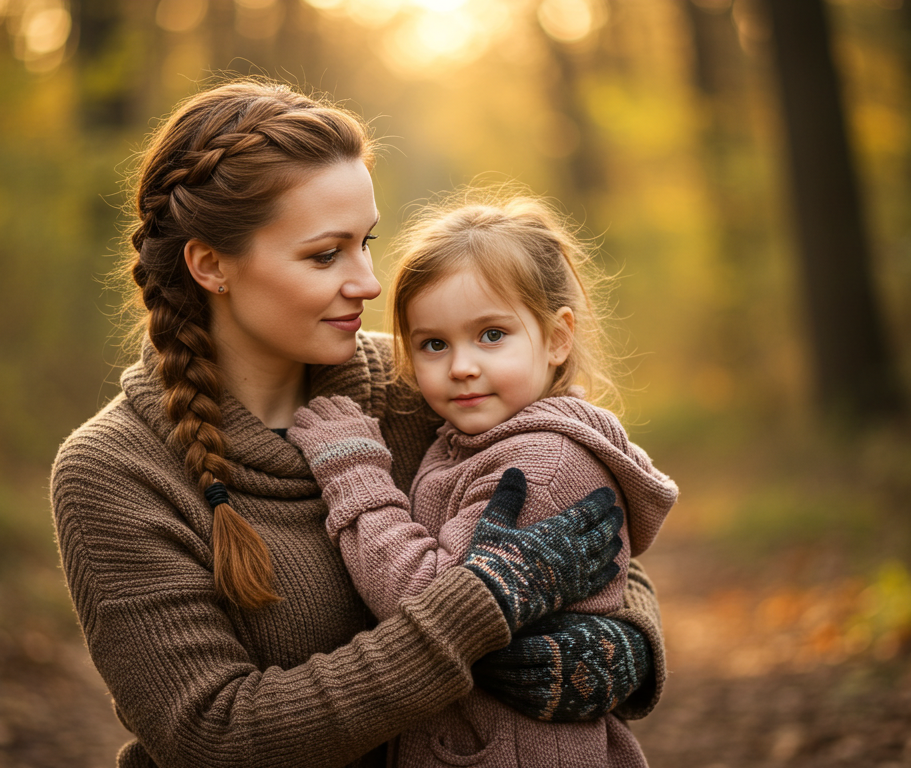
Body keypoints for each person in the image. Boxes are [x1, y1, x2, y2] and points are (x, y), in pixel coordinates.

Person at [49, 79, 668, 768]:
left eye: (365, 243)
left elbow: (579, 524)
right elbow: (211, 735)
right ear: (211, 265)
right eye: (325, 254)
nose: (370, 283)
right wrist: (478, 606)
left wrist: (625, 647)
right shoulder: (114, 471)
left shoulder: (423, 383)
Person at [286, 193, 678, 767]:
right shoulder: (483, 436)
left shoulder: (541, 462)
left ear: (557, 338)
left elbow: (430, 602)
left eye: (492, 334)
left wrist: (354, 472)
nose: (462, 366)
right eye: (433, 344)